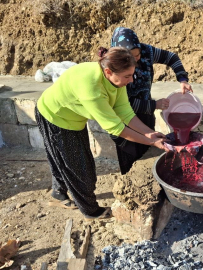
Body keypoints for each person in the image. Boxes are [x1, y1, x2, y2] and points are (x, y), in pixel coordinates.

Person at [35, 47, 167, 220]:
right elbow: (116, 128)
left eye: (132, 74)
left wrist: (150, 133)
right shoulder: (92, 88)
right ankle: (90, 211)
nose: (131, 79)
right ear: (108, 71)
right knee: (81, 169)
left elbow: (125, 112)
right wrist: (150, 142)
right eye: (127, 76)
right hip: (55, 117)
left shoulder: (115, 80)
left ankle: (58, 194)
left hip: (73, 118)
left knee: (64, 158)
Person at [110, 27, 193, 174]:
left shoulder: (147, 52)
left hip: (145, 114)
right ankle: (130, 187)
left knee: (147, 154)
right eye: (132, 56)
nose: (137, 59)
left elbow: (172, 58)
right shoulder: (115, 69)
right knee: (131, 157)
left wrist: (182, 79)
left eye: (138, 54)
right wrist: (155, 104)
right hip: (124, 121)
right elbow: (124, 105)